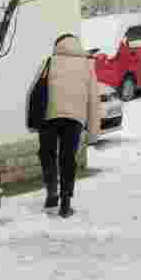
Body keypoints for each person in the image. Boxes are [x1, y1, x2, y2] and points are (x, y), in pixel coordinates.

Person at [29, 33, 103, 218]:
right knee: (68, 159)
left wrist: (33, 121)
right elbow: (94, 101)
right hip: (74, 120)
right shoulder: (87, 65)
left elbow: (35, 90)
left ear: (58, 46)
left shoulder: (50, 61)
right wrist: (94, 132)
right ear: (77, 46)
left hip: (48, 117)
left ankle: (52, 191)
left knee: (47, 153)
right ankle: (65, 204)